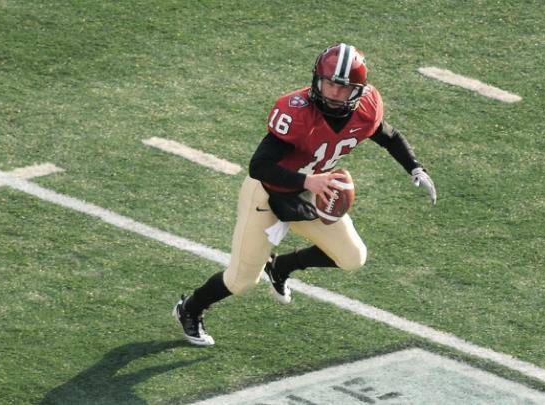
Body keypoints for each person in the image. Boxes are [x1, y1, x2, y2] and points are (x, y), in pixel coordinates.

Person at [173, 43, 436, 346]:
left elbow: (388, 136)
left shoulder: (365, 110)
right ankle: (189, 308)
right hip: (267, 194)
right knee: (242, 280)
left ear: (359, 92)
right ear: (316, 80)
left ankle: (282, 266)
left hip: (309, 191)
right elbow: (259, 166)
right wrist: (307, 181)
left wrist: (415, 168)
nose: (333, 94)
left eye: (343, 88)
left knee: (352, 257)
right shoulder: (296, 113)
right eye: (328, 84)